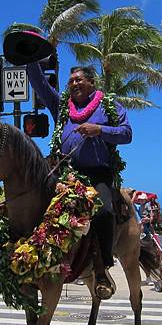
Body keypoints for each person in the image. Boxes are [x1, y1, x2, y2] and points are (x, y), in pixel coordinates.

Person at [27, 62, 132, 300]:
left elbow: (127, 134)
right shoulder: (62, 106)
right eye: (71, 80)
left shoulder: (108, 105)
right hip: (65, 173)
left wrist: (99, 129)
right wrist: (29, 59)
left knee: (104, 212)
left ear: (91, 83)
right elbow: (40, 85)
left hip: (98, 173)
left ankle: (102, 267)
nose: (74, 83)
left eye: (79, 80)